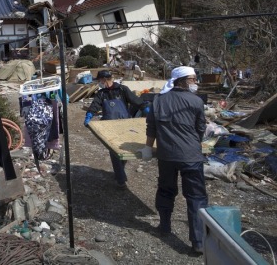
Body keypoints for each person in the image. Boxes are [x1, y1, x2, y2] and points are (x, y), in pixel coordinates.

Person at [140, 66, 208, 254]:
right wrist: (193, 143)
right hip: (191, 157)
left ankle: (164, 226)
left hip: (166, 156)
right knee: (196, 197)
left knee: (165, 190)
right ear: (183, 80)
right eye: (193, 79)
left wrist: (147, 148)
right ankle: (198, 242)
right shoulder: (196, 101)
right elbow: (200, 129)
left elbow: (151, 127)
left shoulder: (159, 100)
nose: (196, 82)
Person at [84, 70, 149, 188]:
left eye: (99, 80)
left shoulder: (123, 89)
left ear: (104, 79)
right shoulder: (101, 93)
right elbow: (95, 105)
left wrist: (146, 110)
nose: (99, 83)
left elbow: (136, 101)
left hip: (125, 125)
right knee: (114, 152)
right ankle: (121, 180)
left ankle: (120, 171)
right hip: (109, 127)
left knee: (123, 151)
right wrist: (89, 115)